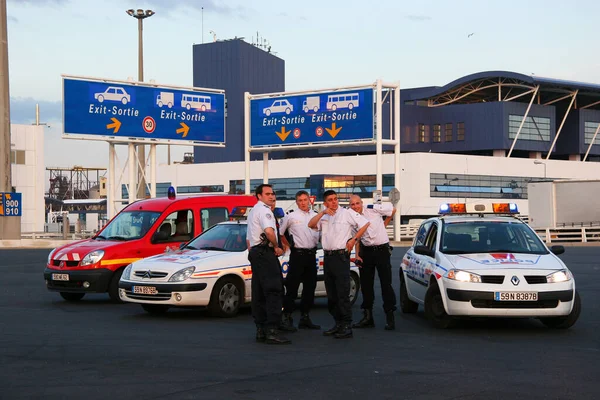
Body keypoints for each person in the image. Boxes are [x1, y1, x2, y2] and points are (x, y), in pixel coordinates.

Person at [308, 190, 370, 339]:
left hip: (341, 257)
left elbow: (365, 223)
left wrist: (353, 239)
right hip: (328, 257)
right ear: (325, 203)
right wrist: (323, 213)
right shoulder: (324, 216)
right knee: (332, 294)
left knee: (342, 293)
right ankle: (338, 323)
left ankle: (347, 325)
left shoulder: (346, 213)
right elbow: (311, 224)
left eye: (335, 199)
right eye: (330, 200)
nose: (334, 202)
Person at [246, 184, 290, 345]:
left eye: (273, 194)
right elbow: (269, 232)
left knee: (259, 292)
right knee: (274, 290)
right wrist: (277, 246)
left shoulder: (253, 211)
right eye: (268, 194)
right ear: (259, 196)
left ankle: (261, 329)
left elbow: (249, 239)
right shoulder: (265, 210)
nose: (272, 197)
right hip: (265, 252)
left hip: (256, 253)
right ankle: (272, 330)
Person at [349, 195, 397, 330]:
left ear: (362, 203)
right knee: (366, 285)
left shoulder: (372, 209)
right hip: (366, 252)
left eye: (357, 203)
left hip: (381, 250)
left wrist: (384, 225)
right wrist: (357, 255)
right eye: (352, 204)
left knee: (386, 284)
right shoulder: (352, 218)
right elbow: (356, 238)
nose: (355, 206)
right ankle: (368, 317)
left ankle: (390, 316)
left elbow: (392, 210)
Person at [279, 190, 321, 332]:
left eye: (305, 200)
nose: (303, 203)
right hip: (297, 255)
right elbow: (280, 233)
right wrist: (287, 245)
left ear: (310, 200)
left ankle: (305, 317)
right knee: (292, 287)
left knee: (310, 287)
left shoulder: (316, 216)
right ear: (297, 202)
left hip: (311, 255)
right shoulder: (291, 216)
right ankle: (287, 317)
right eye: (300, 200)